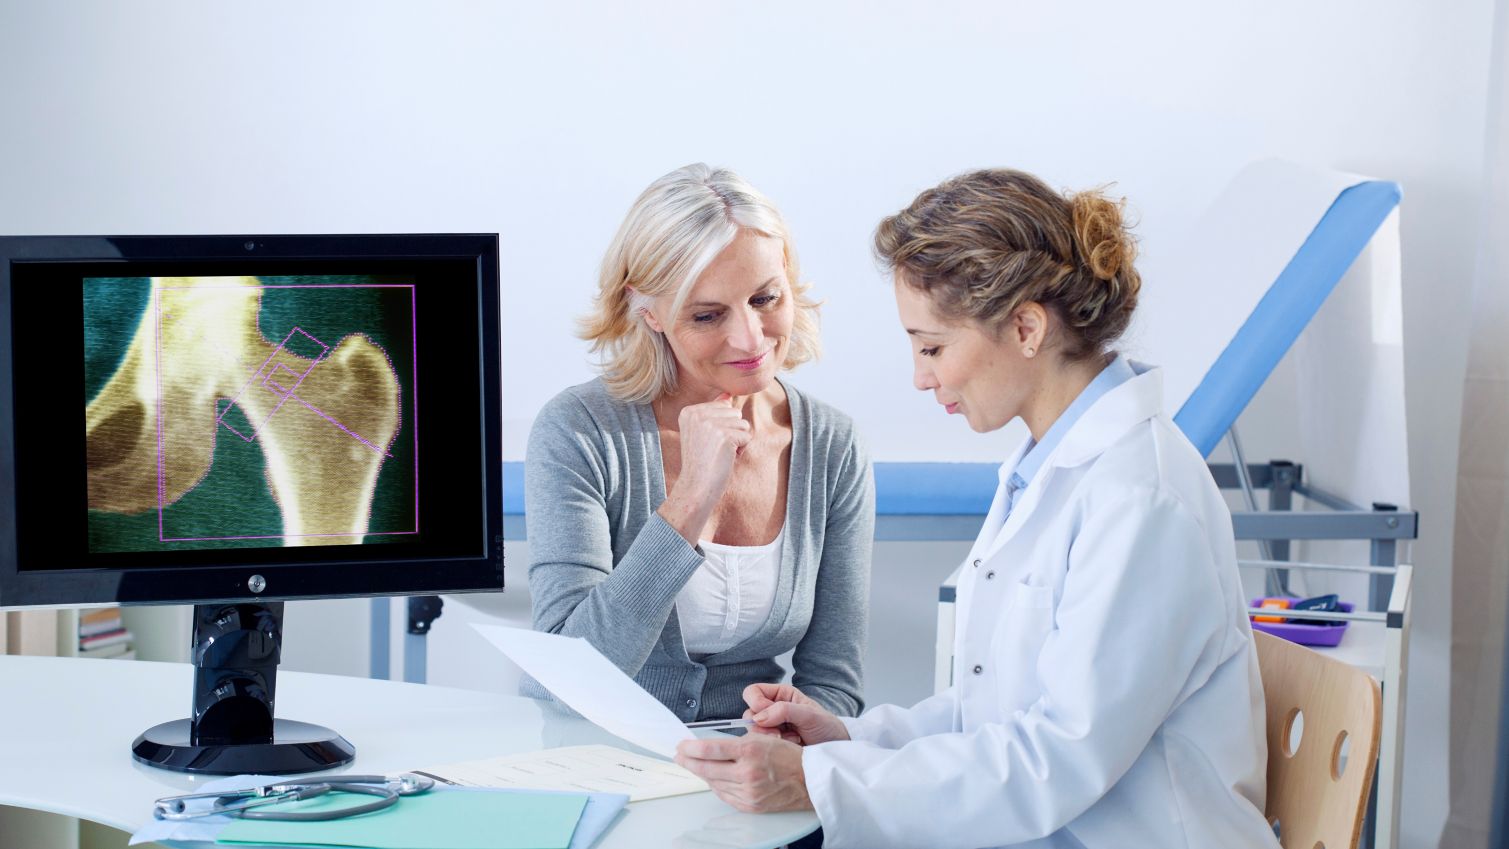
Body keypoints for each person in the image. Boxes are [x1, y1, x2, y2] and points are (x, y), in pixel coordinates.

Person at [674, 168, 1279, 849]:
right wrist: (844, 736)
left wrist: (820, 778)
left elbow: (1055, 759)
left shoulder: (1139, 497)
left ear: (1025, 327)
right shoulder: (1048, 469)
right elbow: (992, 714)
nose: (920, 375)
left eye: (931, 346)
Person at [523, 163, 874, 723]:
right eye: (708, 315)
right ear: (649, 312)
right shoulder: (579, 431)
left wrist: (788, 745)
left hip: (751, 775)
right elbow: (565, 677)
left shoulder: (831, 445)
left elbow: (834, 685)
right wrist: (688, 502)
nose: (750, 339)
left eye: (765, 299)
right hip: (592, 757)